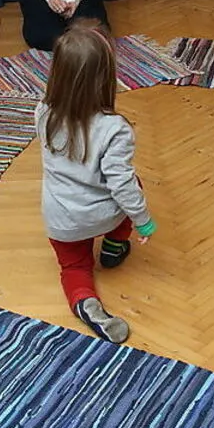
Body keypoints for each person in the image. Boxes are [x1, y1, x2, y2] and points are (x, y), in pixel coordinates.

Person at [37, 20, 156, 343]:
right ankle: (115, 247)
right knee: (136, 184)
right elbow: (123, 186)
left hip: (61, 220)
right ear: (107, 78)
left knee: (74, 269)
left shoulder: (42, 112)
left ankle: (86, 303)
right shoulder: (115, 129)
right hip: (103, 215)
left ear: (57, 74)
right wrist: (143, 222)